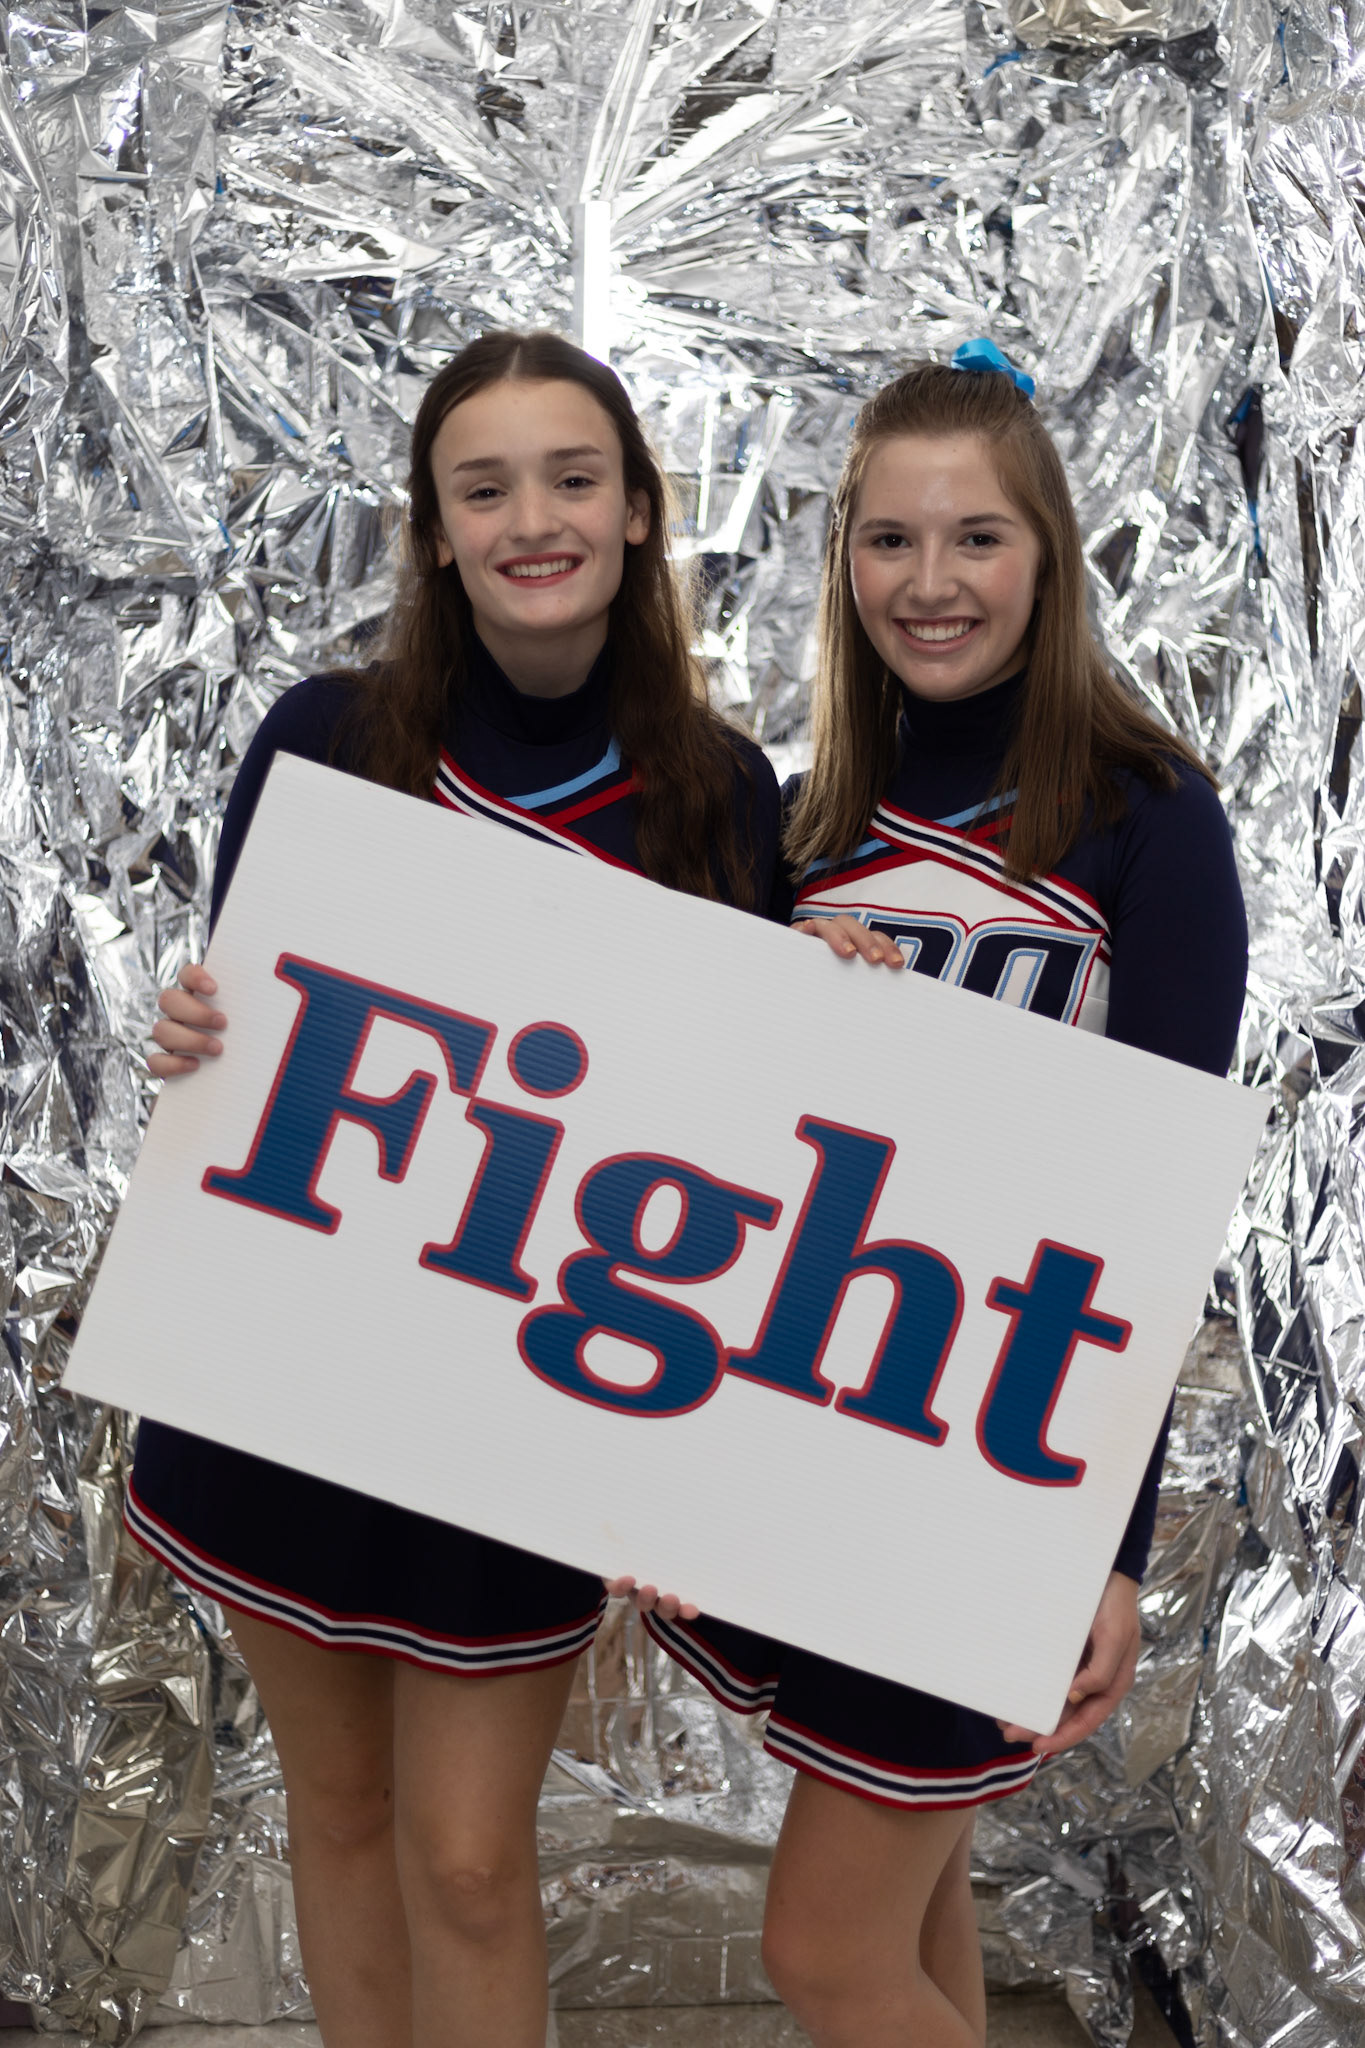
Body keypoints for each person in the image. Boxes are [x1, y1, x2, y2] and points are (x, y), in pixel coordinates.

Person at [129, 329, 781, 2048]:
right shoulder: (323, 739)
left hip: (522, 1414)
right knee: (338, 1823)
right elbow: (259, 1049)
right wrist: (198, 1027)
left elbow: (743, 1139)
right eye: (481, 488)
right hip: (297, 1384)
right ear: (431, 531)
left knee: (474, 1865)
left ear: (639, 511)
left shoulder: (720, 794)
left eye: (572, 479)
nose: (530, 520)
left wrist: (834, 978)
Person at [628, 342, 1248, 2048]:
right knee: (908, 1929)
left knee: (826, 1952)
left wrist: (1099, 1551)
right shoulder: (801, 815)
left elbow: (1153, 1202)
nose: (930, 581)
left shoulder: (1146, 817)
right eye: (889, 541)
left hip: (994, 1458)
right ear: (842, 562)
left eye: (974, 537)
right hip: (828, 1432)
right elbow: (731, 1175)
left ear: (1044, 554)